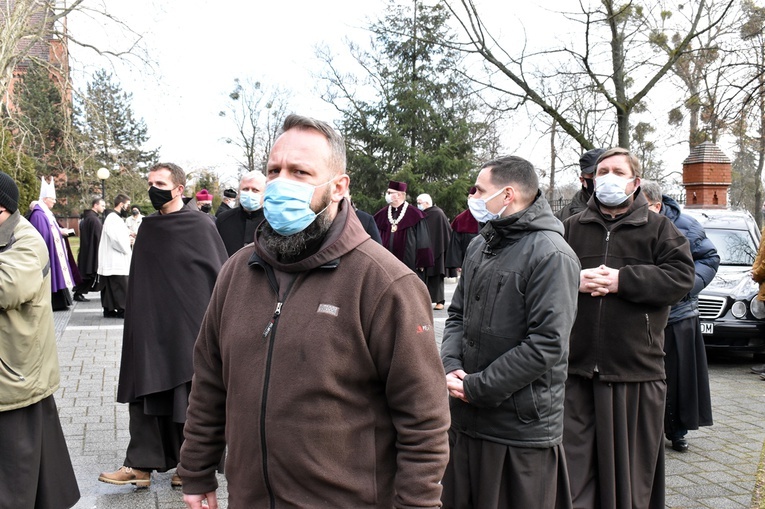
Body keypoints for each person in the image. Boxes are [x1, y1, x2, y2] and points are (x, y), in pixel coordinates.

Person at [178, 114, 450, 508]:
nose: (281, 182)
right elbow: (209, 381)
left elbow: (424, 416)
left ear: (338, 187)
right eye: (275, 170)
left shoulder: (385, 283)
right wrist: (197, 470)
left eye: (300, 172)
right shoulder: (237, 271)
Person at [440, 156, 580, 509]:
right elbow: (457, 314)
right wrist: (451, 365)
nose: (473, 197)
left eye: (479, 191)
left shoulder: (552, 255)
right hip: (465, 418)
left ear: (507, 195)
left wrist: (479, 387)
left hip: (518, 429)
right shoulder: (479, 245)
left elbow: (547, 343)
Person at [562, 147, 695, 509]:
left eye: (617, 171)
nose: (608, 177)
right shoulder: (571, 226)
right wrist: (575, 279)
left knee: (631, 480)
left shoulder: (659, 228)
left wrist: (625, 280)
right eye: (602, 171)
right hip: (576, 370)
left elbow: (682, 277)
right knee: (574, 475)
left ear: (635, 182)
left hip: (635, 370)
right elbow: (543, 274)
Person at [98, 163, 228, 488]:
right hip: (150, 324)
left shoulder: (201, 225)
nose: (153, 188)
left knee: (187, 395)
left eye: (160, 183)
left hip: (188, 326)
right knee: (144, 387)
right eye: (150, 182)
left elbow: (217, 275)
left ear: (179, 189)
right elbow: (143, 278)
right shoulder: (149, 228)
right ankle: (139, 465)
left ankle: (191, 464)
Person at [0, 171, 81, 509]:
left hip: (16, 375)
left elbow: (6, 288)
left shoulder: (25, 239)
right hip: (13, 373)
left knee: (15, 476)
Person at [642, 181, 718, 452]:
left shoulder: (687, 226)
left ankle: (677, 431)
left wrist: (687, 286)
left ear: (657, 205)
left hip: (679, 313)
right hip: (641, 314)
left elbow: (709, 258)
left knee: (678, 377)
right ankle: (644, 430)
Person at [27, 177, 77, 310]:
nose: (55, 201)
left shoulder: (46, 214)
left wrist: (61, 232)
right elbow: (42, 236)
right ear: (44, 199)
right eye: (52, 199)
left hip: (54, 250)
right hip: (49, 252)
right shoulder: (38, 215)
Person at [374, 180, 434, 272]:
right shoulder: (381, 214)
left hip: (408, 263)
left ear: (399, 195)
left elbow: (423, 240)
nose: (387, 195)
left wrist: (422, 262)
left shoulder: (415, 214)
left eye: (390, 192)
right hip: (385, 265)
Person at [97, 194, 133, 319]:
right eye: (127, 205)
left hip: (113, 258)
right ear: (121, 204)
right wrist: (128, 243)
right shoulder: (113, 218)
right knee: (120, 286)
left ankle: (110, 309)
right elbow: (117, 240)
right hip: (115, 259)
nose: (129, 208)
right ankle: (122, 310)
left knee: (111, 287)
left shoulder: (114, 218)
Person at [215, 171, 266, 257]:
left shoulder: (273, 222)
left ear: (264, 194)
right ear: (238, 193)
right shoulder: (223, 220)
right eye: (245, 189)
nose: (249, 193)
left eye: (255, 190)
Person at [417, 193, 452, 310]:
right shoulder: (422, 215)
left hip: (437, 250)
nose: (418, 205)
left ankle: (440, 301)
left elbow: (446, 231)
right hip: (424, 249)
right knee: (423, 277)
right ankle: (424, 301)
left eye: (419, 203)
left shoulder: (438, 213)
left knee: (437, 277)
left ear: (427, 203)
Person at [556, 148, 606, 221]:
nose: (599, 178)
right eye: (593, 174)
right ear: (582, 180)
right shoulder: (562, 219)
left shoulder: (627, 212)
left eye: (604, 172)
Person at [73, 196, 105, 302]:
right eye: (102, 205)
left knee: (87, 273)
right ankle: (78, 292)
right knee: (89, 273)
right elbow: (98, 236)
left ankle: (79, 292)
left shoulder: (89, 218)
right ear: (95, 205)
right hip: (91, 250)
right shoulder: (93, 219)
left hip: (87, 249)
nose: (104, 208)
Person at [445, 186, 480, 272]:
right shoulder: (461, 219)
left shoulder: (491, 216)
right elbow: (456, 243)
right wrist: (457, 264)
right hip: (467, 263)